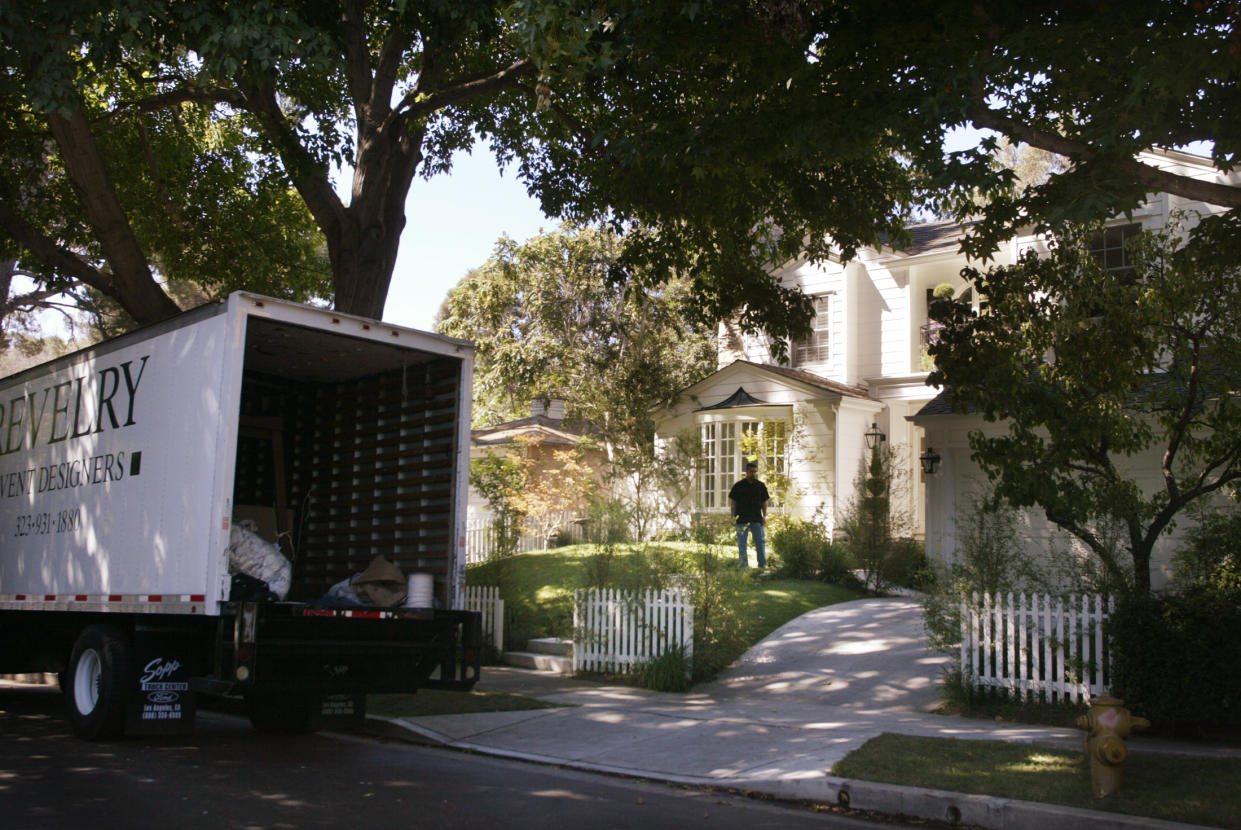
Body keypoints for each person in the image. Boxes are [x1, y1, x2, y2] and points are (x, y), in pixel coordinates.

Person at [728, 461, 769, 568]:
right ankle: (743, 566)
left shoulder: (760, 486)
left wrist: (764, 516)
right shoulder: (738, 486)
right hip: (742, 519)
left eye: (755, 472)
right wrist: (732, 517)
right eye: (751, 472)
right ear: (746, 472)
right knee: (742, 545)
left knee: (760, 543)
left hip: (756, 519)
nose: (753, 474)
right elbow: (733, 503)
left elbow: (764, 503)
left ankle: (762, 565)